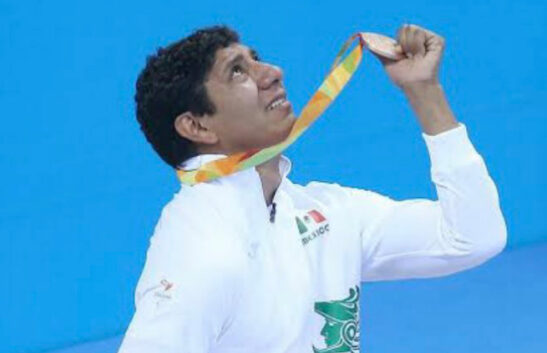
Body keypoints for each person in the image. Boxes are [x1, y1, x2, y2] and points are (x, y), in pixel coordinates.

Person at [118, 24, 507, 353]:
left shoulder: (319, 210)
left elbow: (471, 237)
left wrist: (424, 91)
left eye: (255, 58)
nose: (272, 72)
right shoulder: (204, 252)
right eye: (237, 72)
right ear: (198, 127)